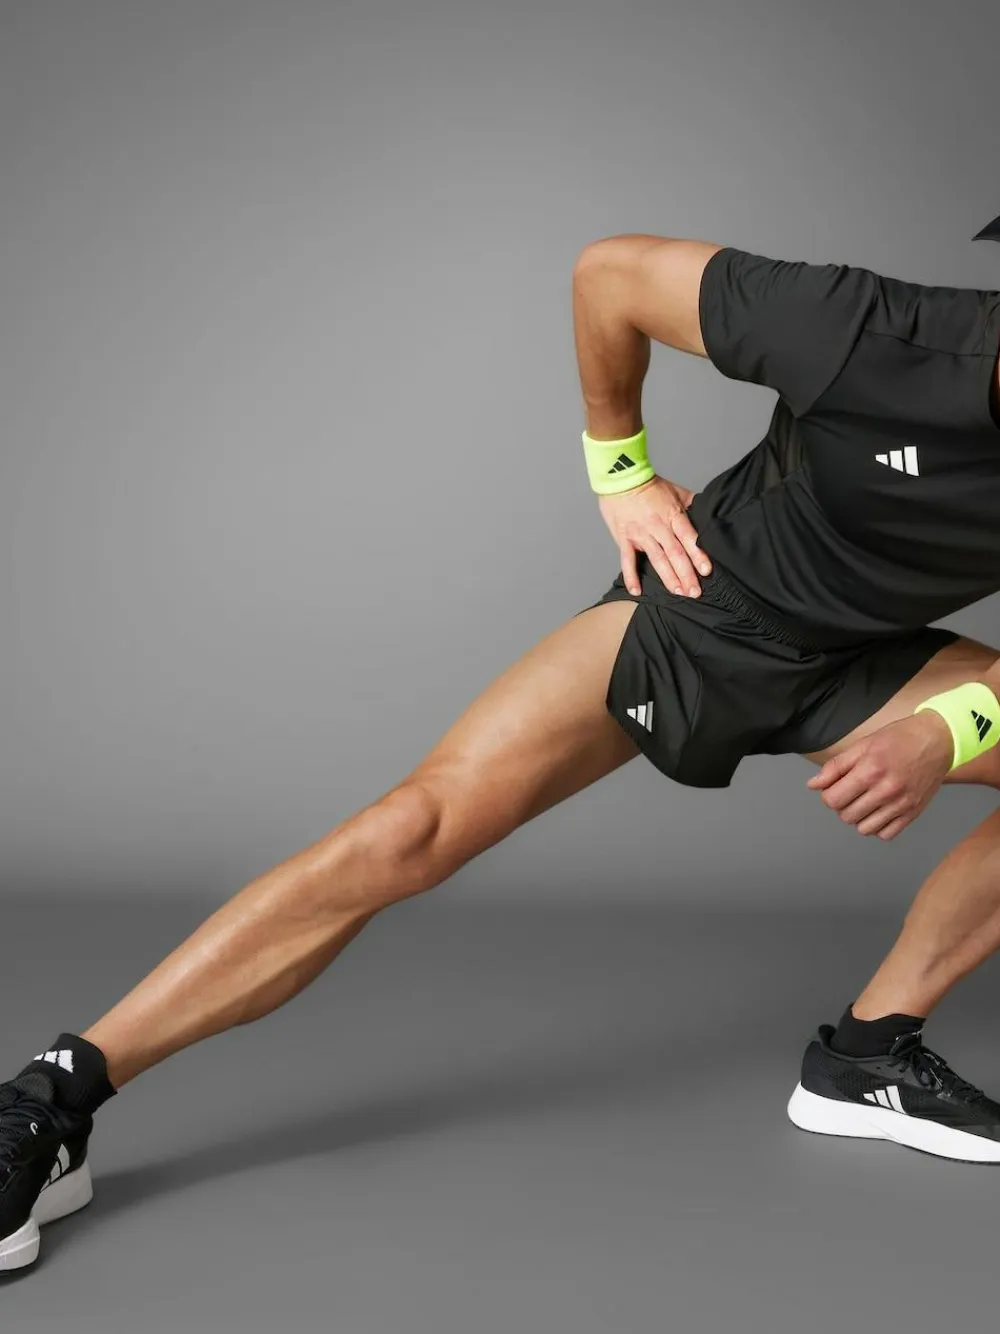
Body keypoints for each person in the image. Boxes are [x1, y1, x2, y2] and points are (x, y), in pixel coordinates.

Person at [6, 219, 1000, 1272]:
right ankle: (53, 1098)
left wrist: (947, 728)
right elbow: (611, 276)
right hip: (702, 614)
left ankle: (863, 1059)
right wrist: (620, 468)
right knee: (410, 830)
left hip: (863, 666)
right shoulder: (869, 333)